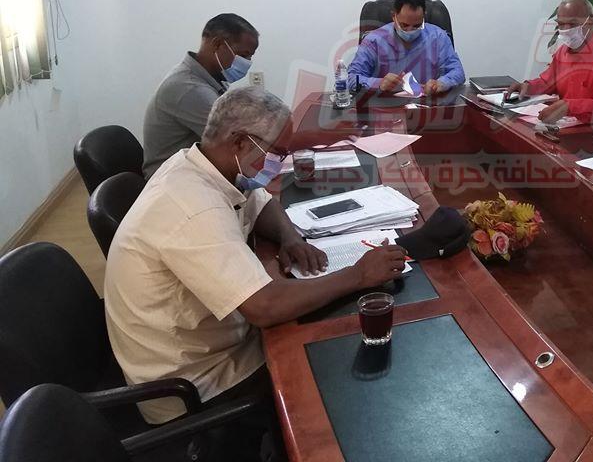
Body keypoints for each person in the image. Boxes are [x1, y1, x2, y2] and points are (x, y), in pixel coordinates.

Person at [106, 86, 406, 461]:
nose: (280, 162)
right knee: (337, 372)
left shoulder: (203, 165)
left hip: (212, 344)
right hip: (195, 382)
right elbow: (264, 307)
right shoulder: (191, 208)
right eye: (277, 153)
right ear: (239, 142)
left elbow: (261, 202)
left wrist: (289, 237)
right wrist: (357, 276)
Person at [142, 13, 259, 178]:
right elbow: (239, 141)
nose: (247, 63)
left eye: (250, 57)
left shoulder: (209, 80)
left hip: (194, 171)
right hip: (172, 181)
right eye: (244, 55)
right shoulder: (189, 89)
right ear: (218, 44)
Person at [507, 0, 593, 124]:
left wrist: (569, 106)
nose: (566, 30)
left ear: (591, 21)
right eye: (561, 24)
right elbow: (547, 83)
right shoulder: (562, 52)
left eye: (572, 24)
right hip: (567, 125)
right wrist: (527, 87)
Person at [348, 0, 465, 96]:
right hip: (385, 104)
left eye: (417, 25)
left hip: (427, 104)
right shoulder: (374, 40)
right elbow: (351, 78)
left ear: (423, 17)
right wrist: (379, 83)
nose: (410, 31)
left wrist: (441, 83)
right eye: (404, 25)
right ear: (394, 16)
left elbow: (458, 71)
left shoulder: (438, 37)